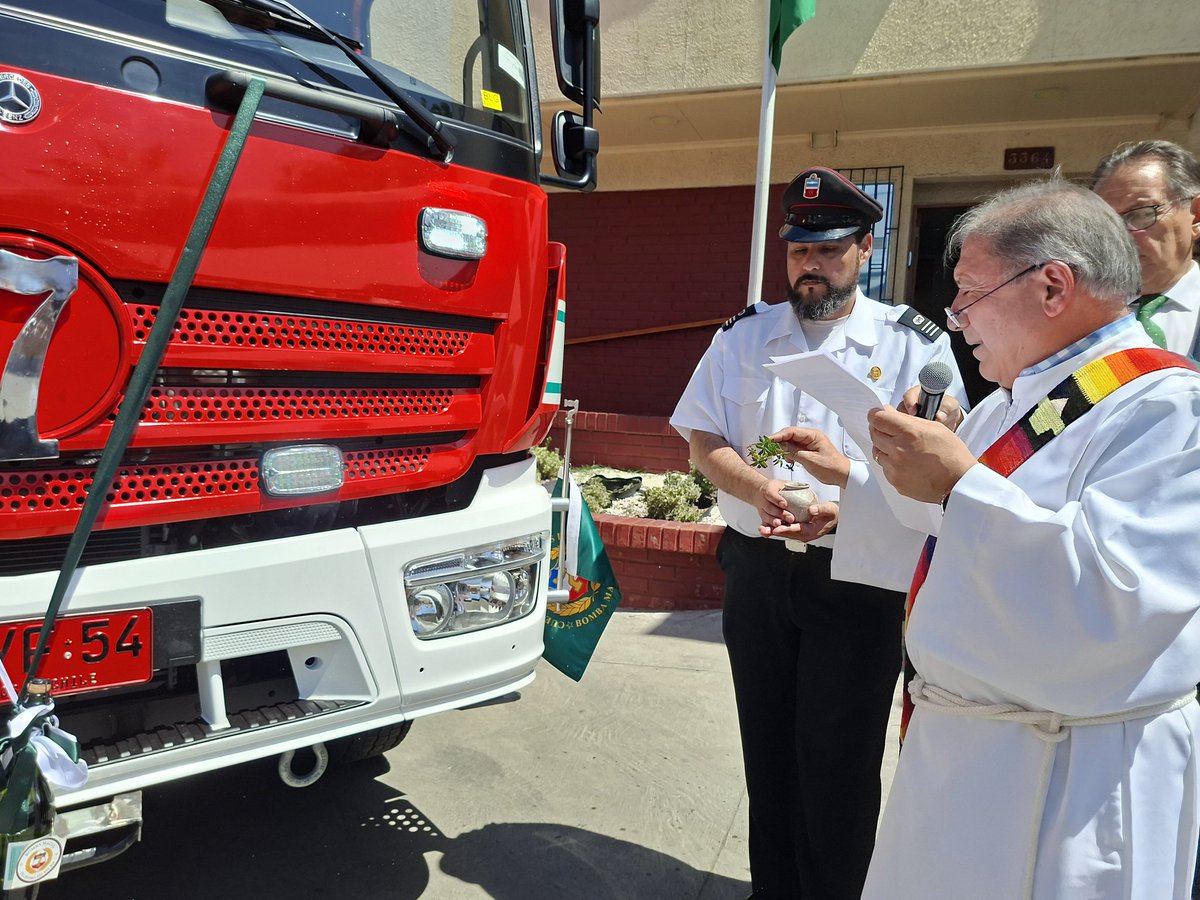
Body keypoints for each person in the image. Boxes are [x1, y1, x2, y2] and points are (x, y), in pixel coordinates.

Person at [770, 178, 1200, 898]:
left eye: (970, 293)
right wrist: (857, 497)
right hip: (970, 750)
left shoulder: (1169, 409)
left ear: (1053, 286)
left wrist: (958, 484)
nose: (956, 318)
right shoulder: (1014, 401)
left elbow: (1119, 601)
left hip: (1064, 774)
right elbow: (951, 535)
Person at [669, 166, 965, 899]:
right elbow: (703, 438)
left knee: (840, 765)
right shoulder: (743, 337)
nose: (812, 265)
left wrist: (852, 493)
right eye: (800, 250)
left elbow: (940, 463)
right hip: (759, 570)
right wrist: (759, 487)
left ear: (865, 249)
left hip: (857, 575)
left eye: (829, 250)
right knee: (767, 750)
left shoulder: (912, 345)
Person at [1091, 140, 1200, 355]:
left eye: (1142, 214)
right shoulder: (1074, 318)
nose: (1121, 236)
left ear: (1196, 216)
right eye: (1108, 221)